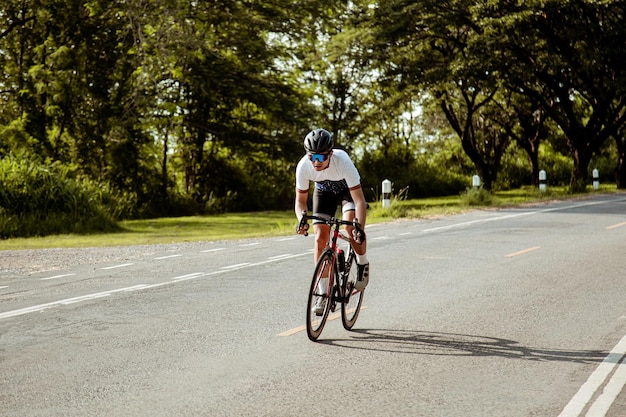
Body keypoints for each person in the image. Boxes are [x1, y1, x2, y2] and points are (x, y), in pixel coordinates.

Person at [294, 128, 370, 305]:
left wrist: (361, 228)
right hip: (324, 193)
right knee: (320, 238)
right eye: (312, 157)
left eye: (321, 157)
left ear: (330, 153)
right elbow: (300, 202)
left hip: (347, 192)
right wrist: (301, 220)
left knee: (350, 227)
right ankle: (321, 295)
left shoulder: (342, 161)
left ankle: (362, 263)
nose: (316, 162)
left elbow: (359, 201)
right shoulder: (304, 166)